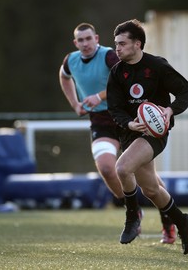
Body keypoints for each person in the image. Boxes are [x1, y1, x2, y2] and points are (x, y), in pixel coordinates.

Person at [58, 23, 177, 244]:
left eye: (88, 39)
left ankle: (168, 221)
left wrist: (99, 96)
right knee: (106, 167)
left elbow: (125, 81)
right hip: (101, 121)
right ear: (75, 43)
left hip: (128, 119)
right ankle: (132, 211)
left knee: (149, 181)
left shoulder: (110, 57)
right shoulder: (71, 61)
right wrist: (75, 103)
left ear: (96, 38)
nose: (85, 44)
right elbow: (64, 77)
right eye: (80, 40)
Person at [106, 19, 188, 254]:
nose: (117, 48)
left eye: (122, 44)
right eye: (116, 44)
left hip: (155, 133)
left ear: (137, 44)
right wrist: (129, 123)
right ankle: (181, 220)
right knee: (152, 189)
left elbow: (186, 91)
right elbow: (114, 108)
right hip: (130, 133)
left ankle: (132, 218)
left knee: (123, 168)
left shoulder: (157, 66)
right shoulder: (117, 72)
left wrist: (169, 110)